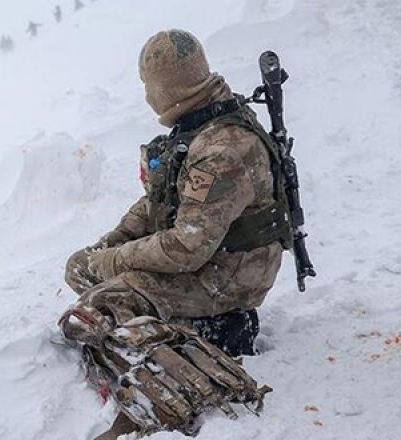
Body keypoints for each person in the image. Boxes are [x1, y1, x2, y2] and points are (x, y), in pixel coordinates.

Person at [59, 29, 289, 439]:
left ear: (164, 88)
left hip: (232, 276)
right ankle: (171, 328)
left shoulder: (221, 149)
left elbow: (187, 247)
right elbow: (158, 201)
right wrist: (115, 240)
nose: (147, 96)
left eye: (149, 86)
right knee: (81, 269)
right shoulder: (198, 122)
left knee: (101, 304)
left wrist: (115, 261)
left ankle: (166, 391)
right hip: (210, 256)